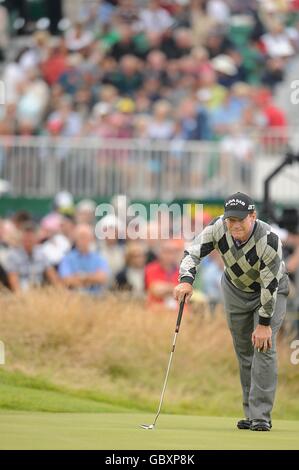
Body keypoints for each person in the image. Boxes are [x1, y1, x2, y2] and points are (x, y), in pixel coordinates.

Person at [174, 192, 289, 431]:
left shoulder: (268, 240)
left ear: (253, 216)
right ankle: (250, 412)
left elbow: (269, 285)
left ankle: (261, 416)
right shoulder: (218, 227)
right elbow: (192, 252)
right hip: (235, 289)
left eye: (240, 219)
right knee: (244, 349)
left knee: (263, 347)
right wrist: (186, 280)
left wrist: (264, 324)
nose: (234, 224)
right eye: (231, 220)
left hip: (269, 291)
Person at [4, 221, 60, 292]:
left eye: (31, 237)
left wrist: (59, 291)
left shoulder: (41, 253)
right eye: (26, 237)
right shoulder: (13, 255)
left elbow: (53, 277)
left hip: (39, 292)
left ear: (36, 238)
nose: (28, 240)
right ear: (21, 238)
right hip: (22, 293)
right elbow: (14, 283)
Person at [59, 224, 110, 295]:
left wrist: (81, 277)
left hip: (96, 299)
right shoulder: (67, 258)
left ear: (91, 239)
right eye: (81, 237)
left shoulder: (99, 258)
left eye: (86, 237)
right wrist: (92, 278)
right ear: (75, 238)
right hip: (74, 299)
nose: (83, 240)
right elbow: (67, 280)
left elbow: (102, 278)